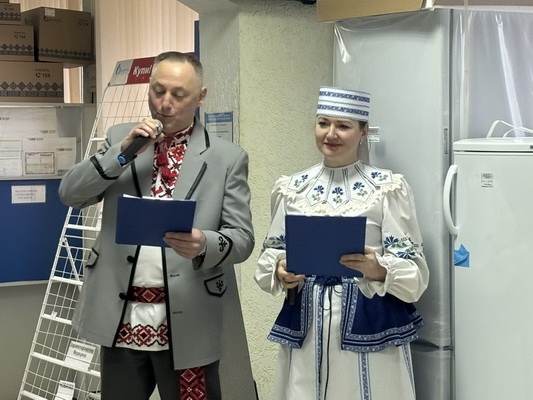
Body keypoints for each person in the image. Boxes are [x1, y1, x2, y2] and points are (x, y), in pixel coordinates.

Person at [59, 51, 254, 400]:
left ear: (201, 97)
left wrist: (204, 243)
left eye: (178, 94)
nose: (165, 103)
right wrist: (122, 153)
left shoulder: (226, 158)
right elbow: (71, 194)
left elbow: (242, 239)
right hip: (121, 314)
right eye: (157, 91)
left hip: (189, 317)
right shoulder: (120, 138)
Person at [255, 86, 429, 399]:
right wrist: (281, 270)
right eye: (323, 123)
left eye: (343, 126)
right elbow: (272, 253)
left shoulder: (387, 189)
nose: (331, 134)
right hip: (307, 323)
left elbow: (415, 274)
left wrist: (378, 269)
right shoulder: (292, 189)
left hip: (371, 320)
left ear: (363, 133)